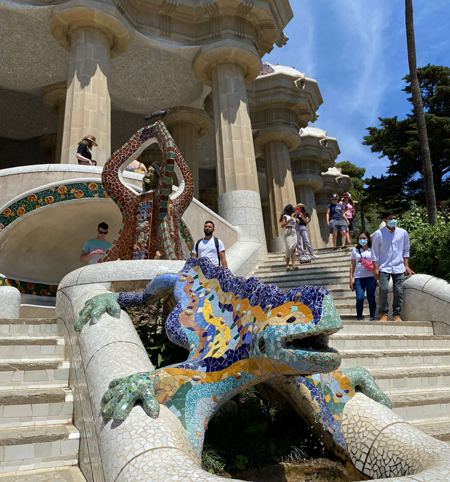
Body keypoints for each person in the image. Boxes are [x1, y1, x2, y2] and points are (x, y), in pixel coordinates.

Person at [371, 211, 415, 322]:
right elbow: (374, 252)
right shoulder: (378, 234)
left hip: (398, 266)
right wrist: (375, 268)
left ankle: (396, 314)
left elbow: (406, 250)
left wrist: (406, 265)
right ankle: (383, 313)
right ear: (385, 220)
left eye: (395, 218)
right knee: (384, 289)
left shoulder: (403, 233)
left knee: (398, 291)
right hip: (383, 266)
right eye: (391, 218)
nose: (393, 220)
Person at [350, 232, 377, 321]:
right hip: (359, 277)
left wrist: (377, 277)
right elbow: (352, 265)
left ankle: (372, 316)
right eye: (360, 238)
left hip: (370, 276)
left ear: (368, 239)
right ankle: (359, 317)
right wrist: (351, 278)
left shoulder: (372, 249)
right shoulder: (355, 250)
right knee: (360, 297)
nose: (362, 240)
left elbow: (376, 263)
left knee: (371, 297)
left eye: (364, 238)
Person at [280, 204, 299, 271]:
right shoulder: (285, 216)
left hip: (293, 232)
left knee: (294, 249)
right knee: (289, 247)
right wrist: (288, 221)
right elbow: (282, 225)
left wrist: (297, 223)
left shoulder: (293, 217)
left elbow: (294, 226)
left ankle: (293, 265)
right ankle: (287, 265)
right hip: (287, 232)